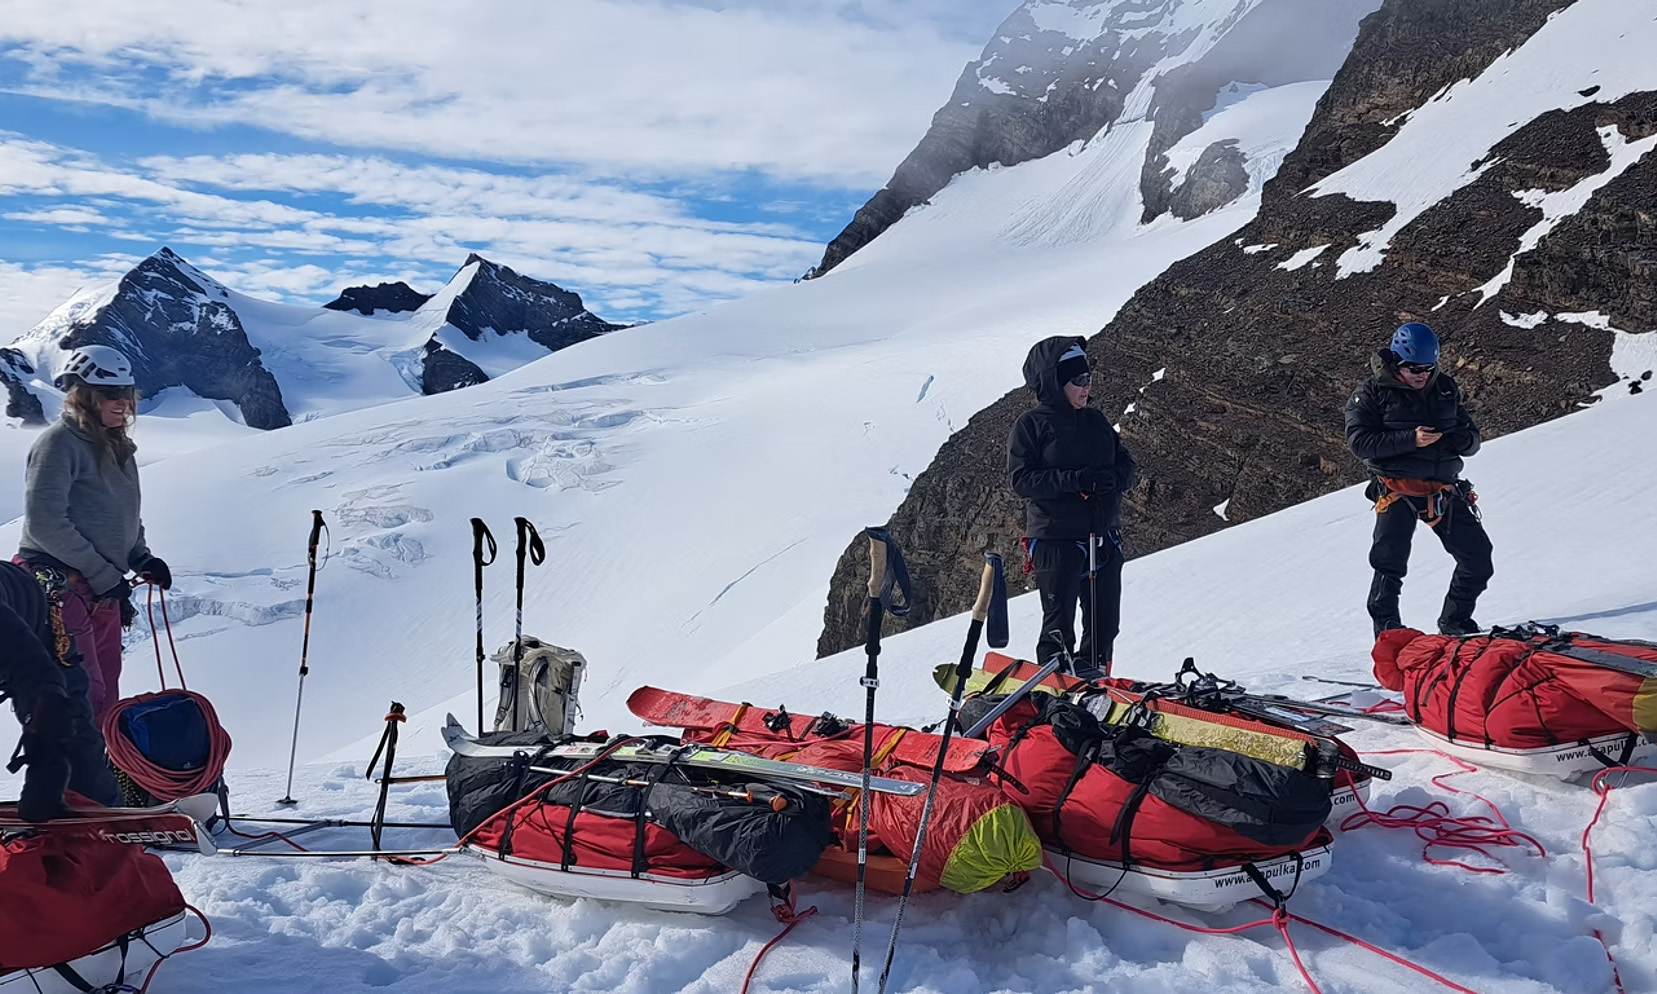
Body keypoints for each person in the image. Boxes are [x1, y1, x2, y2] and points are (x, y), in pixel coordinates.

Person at [16, 345, 172, 721]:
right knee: (82, 694)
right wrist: (104, 575)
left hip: (98, 589)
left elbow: (124, 514)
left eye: (127, 394)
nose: (122, 403)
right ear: (84, 398)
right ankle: (75, 780)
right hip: (58, 584)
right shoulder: (58, 444)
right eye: (110, 395)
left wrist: (141, 557)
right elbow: (44, 523)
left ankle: (99, 778)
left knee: (106, 692)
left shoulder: (118, 447)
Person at [1344, 322, 1492, 638]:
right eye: (1414, 368)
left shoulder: (1445, 388)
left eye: (1428, 367)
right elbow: (1360, 443)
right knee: (1389, 566)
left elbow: (1473, 440)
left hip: (1443, 487)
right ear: (1397, 363)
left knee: (1478, 558)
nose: (1422, 374)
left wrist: (1457, 439)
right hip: (1396, 487)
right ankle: (1388, 636)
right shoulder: (1371, 393)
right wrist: (1411, 440)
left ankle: (1455, 621)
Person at [1007, 336, 1137, 678]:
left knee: (1104, 622)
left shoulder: (1096, 421)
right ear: (1054, 382)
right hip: (1056, 536)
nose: (1086, 386)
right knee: (1058, 622)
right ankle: (1056, 680)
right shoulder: (1031, 425)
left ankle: (1097, 677)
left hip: (1103, 535)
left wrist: (1114, 479)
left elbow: (1127, 464)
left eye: (1088, 377)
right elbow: (1022, 480)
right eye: (1078, 380)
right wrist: (1076, 480)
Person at [1, 559, 123, 820]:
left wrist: (45, 778)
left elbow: (44, 691)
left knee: (75, 738)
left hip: (38, 629)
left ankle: (102, 810)